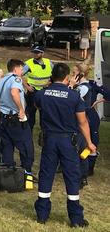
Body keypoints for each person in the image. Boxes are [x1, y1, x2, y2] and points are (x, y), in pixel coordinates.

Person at [33, 63, 96, 227]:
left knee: (46, 174)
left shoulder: (42, 94)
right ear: (67, 77)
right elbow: (82, 122)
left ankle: (42, 215)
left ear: (52, 76)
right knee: (72, 176)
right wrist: (89, 143)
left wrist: (49, 86)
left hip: (49, 139)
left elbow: (38, 106)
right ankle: (76, 218)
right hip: (68, 140)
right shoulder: (74, 96)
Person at [0, 59, 34, 182]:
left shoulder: (0, 81)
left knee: (7, 147)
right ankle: (27, 174)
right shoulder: (15, 80)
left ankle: (8, 174)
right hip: (16, 119)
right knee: (26, 146)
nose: (22, 71)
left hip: (4, 118)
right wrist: (21, 109)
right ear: (15, 69)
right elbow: (14, 93)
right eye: (21, 69)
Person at [70, 63, 103, 182]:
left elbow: (72, 97)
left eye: (74, 73)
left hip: (88, 117)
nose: (72, 76)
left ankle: (86, 171)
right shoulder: (80, 86)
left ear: (81, 74)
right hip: (81, 116)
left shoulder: (84, 87)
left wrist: (70, 86)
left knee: (86, 144)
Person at [22, 44, 53, 131]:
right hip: (33, 91)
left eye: (37, 53)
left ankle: (44, 131)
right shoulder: (28, 64)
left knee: (45, 113)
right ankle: (28, 131)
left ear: (42, 53)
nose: (35, 54)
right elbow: (18, 75)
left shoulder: (49, 62)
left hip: (45, 91)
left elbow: (54, 75)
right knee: (30, 113)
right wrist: (27, 87)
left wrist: (51, 83)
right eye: (34, 52)